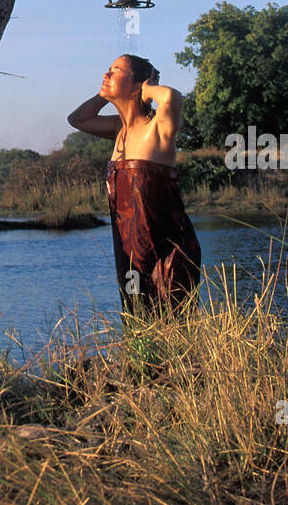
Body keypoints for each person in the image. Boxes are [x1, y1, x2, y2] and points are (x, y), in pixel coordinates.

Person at [67, 54, 200, 313]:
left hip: (169, 252)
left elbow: (172, 97)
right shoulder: (118, 128)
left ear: (138, 84)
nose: (106, 75)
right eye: (107, 70)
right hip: (129, 255)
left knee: (174, 327)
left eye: (115, 71)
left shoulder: (158, 127)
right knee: (138, 325)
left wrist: (148, 88)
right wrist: (103, 94)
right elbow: (77, 119)